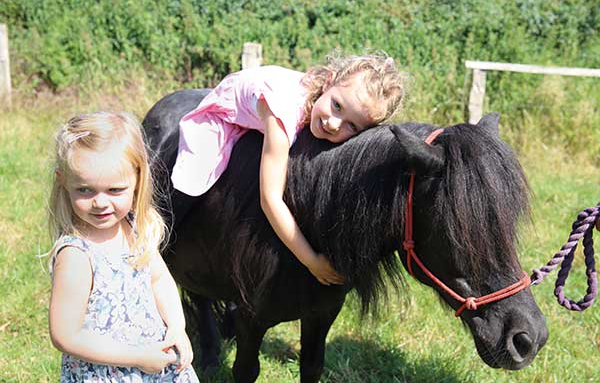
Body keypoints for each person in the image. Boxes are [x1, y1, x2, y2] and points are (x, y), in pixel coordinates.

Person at [171, 53, 407, 285]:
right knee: (194, 176)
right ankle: (159, 238)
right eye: (337, 106)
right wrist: (311, 260)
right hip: (228, 109)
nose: (334, 124)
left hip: (272, 97)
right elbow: (270, 199)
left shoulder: (326, 104)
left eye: (352, 126)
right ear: (328, 81)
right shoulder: (283, 114)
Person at [47, 111, 199, 382]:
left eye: (115, 190)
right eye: (85, 190)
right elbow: (65, 334)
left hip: (152, 365)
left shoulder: (133, 229)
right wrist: (137, 357)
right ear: (64, 181)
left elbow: (159, 279)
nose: (100, 203)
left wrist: (177, 326)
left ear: (138, 180)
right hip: (105, 373)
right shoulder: (77, 255)